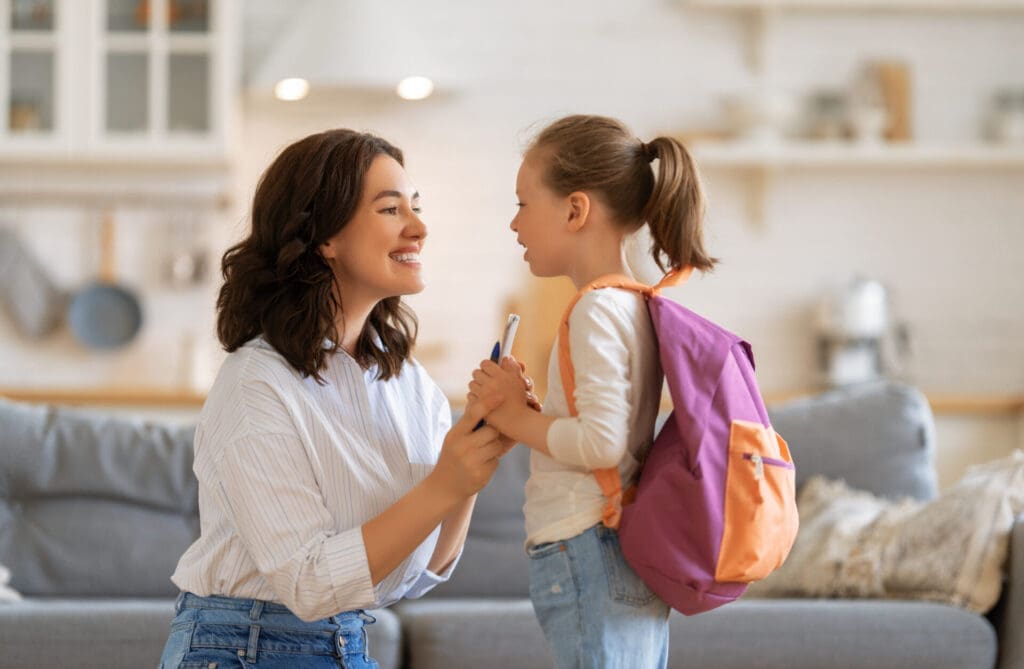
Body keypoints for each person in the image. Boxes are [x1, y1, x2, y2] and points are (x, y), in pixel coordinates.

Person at [159, 128, 531, 668]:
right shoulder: (256, 384)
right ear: (325, 236)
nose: (419, 228)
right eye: (390, 209)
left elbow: (422, 572)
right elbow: (309, 585)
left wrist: (472, 463)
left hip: (346, 643)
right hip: (245, 647)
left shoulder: (410, 385)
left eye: (416, 207)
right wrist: (448, 480)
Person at [467, 114, 717, 668]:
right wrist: (532, 411)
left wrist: (511, 417)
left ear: (575, 209)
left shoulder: (596, 311)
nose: (514, 225)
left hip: (587, 544)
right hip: (617, 546)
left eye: (523, 204)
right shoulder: (635, 302)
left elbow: (603, 444)